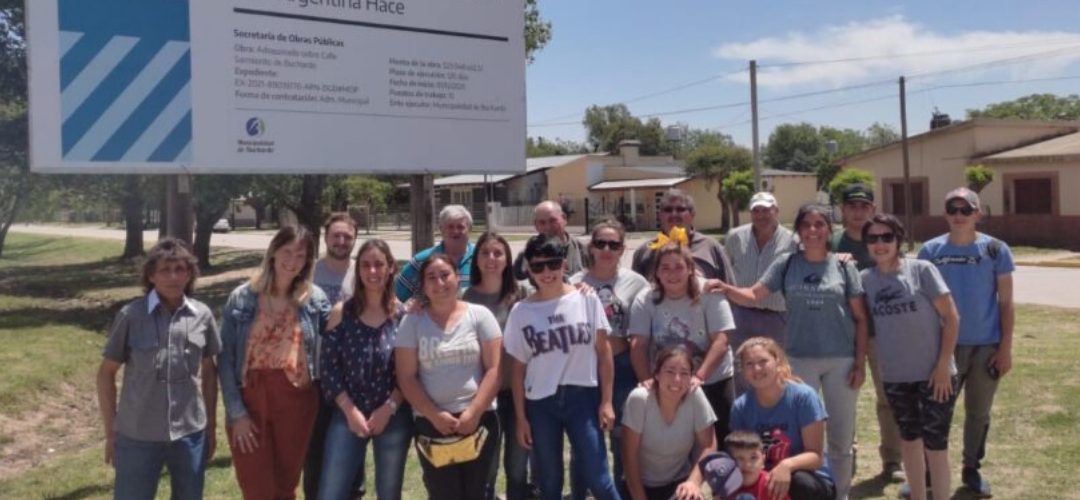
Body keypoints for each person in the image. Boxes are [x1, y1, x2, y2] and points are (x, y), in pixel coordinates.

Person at [717, 204, 868, 500]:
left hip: (840, 358)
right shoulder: (786, 263)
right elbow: (753, 295)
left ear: (829, 229)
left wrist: (860, 362)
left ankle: (841, 494)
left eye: (819, 224)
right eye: (806, 225)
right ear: (798, 230)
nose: (813, 230)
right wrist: (723, 287)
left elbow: (861, 318)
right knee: (799, 434)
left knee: (840, 439)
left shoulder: (844, 266)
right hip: (799, 359)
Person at [96, 238, 220, 500]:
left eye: (180, 269)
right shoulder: (131, 315)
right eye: (165, 270)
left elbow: (210, 374)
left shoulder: (202, 315)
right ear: (151, 275)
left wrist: (211, 427)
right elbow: (106, 373)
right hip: (137, 435)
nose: (173, 277)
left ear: (190, 274)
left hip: (189, 434)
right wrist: (111, 432)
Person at [504, 235, 621, 500]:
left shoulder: (586, 299)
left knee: (599, 477)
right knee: (550, 482)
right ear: (529, 270)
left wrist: (606, 402)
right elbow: (518, 370)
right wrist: (522, 418)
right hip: (541, 403)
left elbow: (604, 353)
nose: (546, 272)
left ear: (564, 264)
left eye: (553, 264)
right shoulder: (521, 312)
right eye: (538, 267)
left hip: (583, 397)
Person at [219, 226, 331, 500]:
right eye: (287, 251)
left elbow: (343, 328)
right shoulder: (243, 297)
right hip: (250, 399)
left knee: (285, 484)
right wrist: (237, 413)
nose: (292, 260)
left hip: (297, 400)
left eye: (301, 255)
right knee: (256, 486)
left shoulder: (314, 299)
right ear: (273, 252)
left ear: (307, 261)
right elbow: (224, 359)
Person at [917, 187, 1014, 498]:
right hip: (944, 346)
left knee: (979, 412)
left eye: (966, 209)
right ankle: (928, 472)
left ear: (978, 213)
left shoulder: (996, 250)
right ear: (945, 213)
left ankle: (971, 468)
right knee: (936, 410)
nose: (959, 215)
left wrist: (1005, 348)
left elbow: (1006, 303)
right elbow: (922, 301)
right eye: (953, 209)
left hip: (986, 346)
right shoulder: (930, 251)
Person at [860, 214, 960, 500]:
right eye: (873, 239)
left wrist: (943, 366)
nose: (880, 244)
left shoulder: (922, 270)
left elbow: (951, 318)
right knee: (910, 441)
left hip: (935, 375)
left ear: (898, 240)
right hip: (896, 375)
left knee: (936, 445)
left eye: (887, 237)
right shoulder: (866, 280)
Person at [395, 254, 503, 500]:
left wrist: (473, 413)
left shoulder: (480, 315)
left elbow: (495, 370)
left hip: (478, 421)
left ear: (457, 278)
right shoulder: (412, 322)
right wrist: (435, 416)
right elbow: (406, 377)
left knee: (476, 492)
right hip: (432, 424)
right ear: (423, 285)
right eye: (431, 277)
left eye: (445, 275)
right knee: (444, 493)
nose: (439, 282)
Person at [317, 239, 412, 500]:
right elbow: (329, 368)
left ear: (391, 267)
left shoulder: (403, 316)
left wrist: (389, 408)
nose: (373, 271)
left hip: (392, 415)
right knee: (331, 492)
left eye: (379, 264)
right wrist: (349, 411)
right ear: (358, 270)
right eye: (366, 265)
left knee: (389, 493)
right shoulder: (341, 312)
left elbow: (409, 373)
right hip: (348, 413)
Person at [569, 220, 651, 498]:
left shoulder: (636, 283)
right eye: (600, 243)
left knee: (621, 441)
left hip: (623, 367)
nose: (606, 249)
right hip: (584, 369)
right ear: (591, 247)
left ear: (622, 249)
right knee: (586, 442)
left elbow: (642, 329)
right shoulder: (574, 283)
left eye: (613, 245)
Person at [830, 183, 904, 483]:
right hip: (841, 332)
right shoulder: (832, 241)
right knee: (842, 398)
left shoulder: (883, 237)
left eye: (864, 206)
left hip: (882, 332)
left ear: (873, 209)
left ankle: (893, 459)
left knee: (888, 397)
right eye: (852, 206)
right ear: (843, 210)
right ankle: (847, 452)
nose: (858, 211)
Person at [628, 243, 736, 444]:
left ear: (690, 270)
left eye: (678, 267)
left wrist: (699, 376)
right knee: (676, 442)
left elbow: (721, 340)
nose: (672, 273)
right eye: (665, 268)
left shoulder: (710, 292)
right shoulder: (645, 298)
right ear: (656, 273)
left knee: (723, 440)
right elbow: (638, 344)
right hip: (668, 383)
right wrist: (647, 380)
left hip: (712, 378)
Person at [462, 231, 533, 500]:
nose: (491, 259)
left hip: (518, 394)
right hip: (481, 397)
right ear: (476, 259)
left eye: (498, 253)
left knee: (517, 469)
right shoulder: (464, 298)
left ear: (507, 260)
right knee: (485, 469)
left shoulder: (523, 296)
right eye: (485, 253)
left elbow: (559, 293)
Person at [730, 337, 835, 500]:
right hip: (761, 476)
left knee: (800, 482)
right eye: (749, 364)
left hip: (808, 478)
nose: (757, 369)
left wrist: (786, 466)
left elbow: (816, 456)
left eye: (763, 361)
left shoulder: (803, 397)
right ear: (743, 371)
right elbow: (738, 455)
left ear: (777, 362)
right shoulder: (741, 407)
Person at [306, 212, 361, 499]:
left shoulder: (362, 271)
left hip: (351, 376)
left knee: (351, 447)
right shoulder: (308, 272)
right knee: (315, 448)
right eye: (336, 236)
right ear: (326, 237)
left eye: (347, 237)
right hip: (313, 375)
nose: (341, 241)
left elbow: (389, 303)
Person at [622, 345, 717, 500]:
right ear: (657, 374)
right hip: (640, 486)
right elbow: (629, 456)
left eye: (684, 373)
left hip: (678, 483)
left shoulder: (695, 395)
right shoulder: (639, 399)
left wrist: (693, 482)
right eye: (670, 371)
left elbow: (709, 445)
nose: (677, 379)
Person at [722, 192, 798, 365]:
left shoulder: (792, 241)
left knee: (776, 366)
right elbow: (726, 270)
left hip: (777, 316)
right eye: (756, 211)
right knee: (741, 366)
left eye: (766, 210)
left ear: (776, 211)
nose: (761, 215)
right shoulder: (735, 237)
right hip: (740, 314)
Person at [631, 188, 733, 283]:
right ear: (660, 215)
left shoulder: (710, 247)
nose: (674, 214)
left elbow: (730, 289)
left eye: (680, 209)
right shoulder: (645, 251)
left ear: (692, 214)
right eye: (668, 210)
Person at [396, 204, 476, 302]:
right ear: (441, 229)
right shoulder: (421, 260)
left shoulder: (481, 258)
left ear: (470, 229)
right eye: (450, 227)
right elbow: (395, 297)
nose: (455, 231)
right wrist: (410, 306)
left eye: (460, 227)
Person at [512, 200, 590, 281]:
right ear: (536, 225)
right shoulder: (526, 255)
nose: (548, 227)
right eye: (542, 223)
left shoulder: (584, 249)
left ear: (564, 218)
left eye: (553, 221)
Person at [724, 431, 785, 500]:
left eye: (753, 458)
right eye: (739, 458)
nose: (747, 464)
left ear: (763, 461)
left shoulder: (771, 486)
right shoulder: (723, 486)